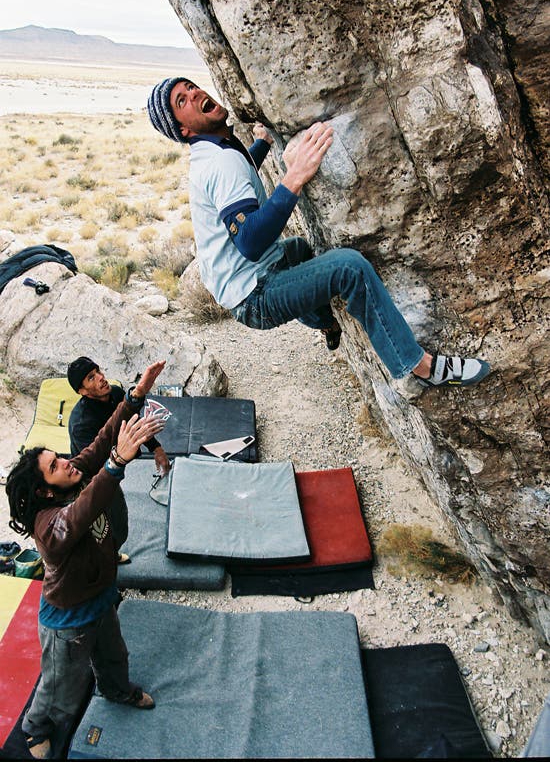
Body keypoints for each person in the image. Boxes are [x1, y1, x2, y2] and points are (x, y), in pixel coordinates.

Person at [147, 77, 490, 389]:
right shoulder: (218, 163)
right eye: (182, 101)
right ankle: (418, 366)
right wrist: (294, 177)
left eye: (190, 87)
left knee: (297, 249)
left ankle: (326, 321)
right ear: (184, 131)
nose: (194, 94)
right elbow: (250, 241)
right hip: (255, 295)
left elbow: (239, 174)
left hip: (247, 282)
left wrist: (263, 144)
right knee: (349, 268)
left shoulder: (218, 147)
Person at [5, 360, 167, 760]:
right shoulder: (48, 525)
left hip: (100, 596)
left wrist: (135, 396)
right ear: (45, 491)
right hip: (69, 617)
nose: (67, 462)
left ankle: (116, 690)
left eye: (61, 458)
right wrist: (117, 464)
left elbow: (101, 440)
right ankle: (34, 727)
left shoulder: (71, 474)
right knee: (61, 685)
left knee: (114, 656)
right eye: (56, 466)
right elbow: (81, 514)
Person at [67, 356, 171, 564]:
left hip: (114, 464)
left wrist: (156, 448)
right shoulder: (81, 423)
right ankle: (99, 562)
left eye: (98, 372)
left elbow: (133, 422)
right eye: (91, 378)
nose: (101, 378)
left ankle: (111, 553)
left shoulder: (114, 393)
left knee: (119, 521)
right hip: (92, 476)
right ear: (82, 391)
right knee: (101, 524)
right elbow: (94, 459)